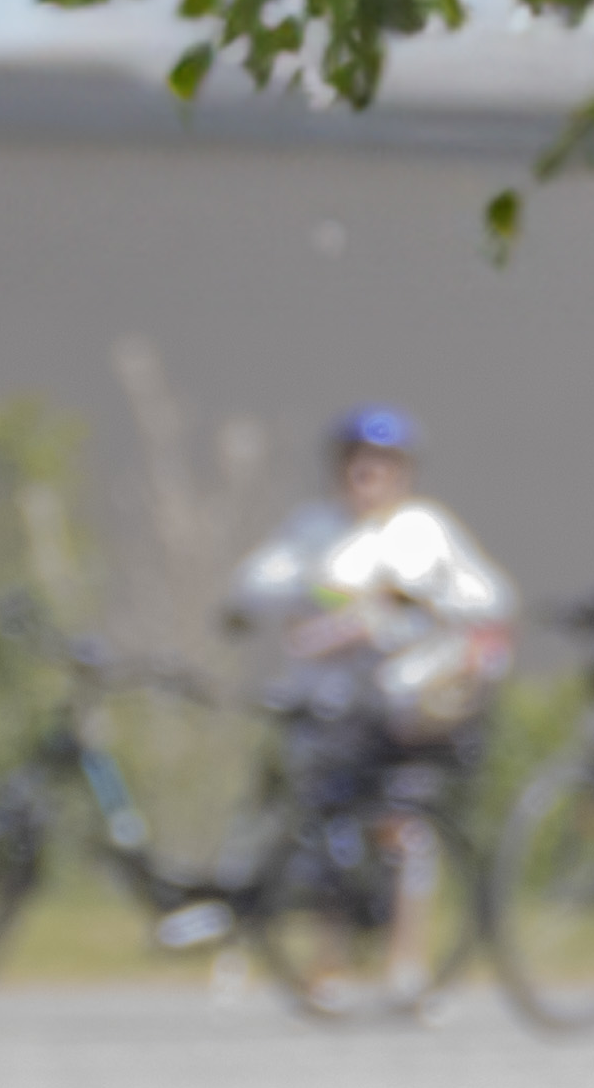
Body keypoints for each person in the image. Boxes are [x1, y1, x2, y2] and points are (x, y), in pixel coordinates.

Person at [212, 407, 518, 982]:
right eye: (356, 463)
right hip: (329, 708)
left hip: (400, 711)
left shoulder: (424, 530)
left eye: (381, 464)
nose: (367, 475)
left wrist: (403, 608)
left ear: (403, 471)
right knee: (324, 829)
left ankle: (407, 961)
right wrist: (329, 598)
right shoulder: (313, 530)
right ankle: (327, 960)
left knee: (404, 828)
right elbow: (255, 585)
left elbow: (489, 598)